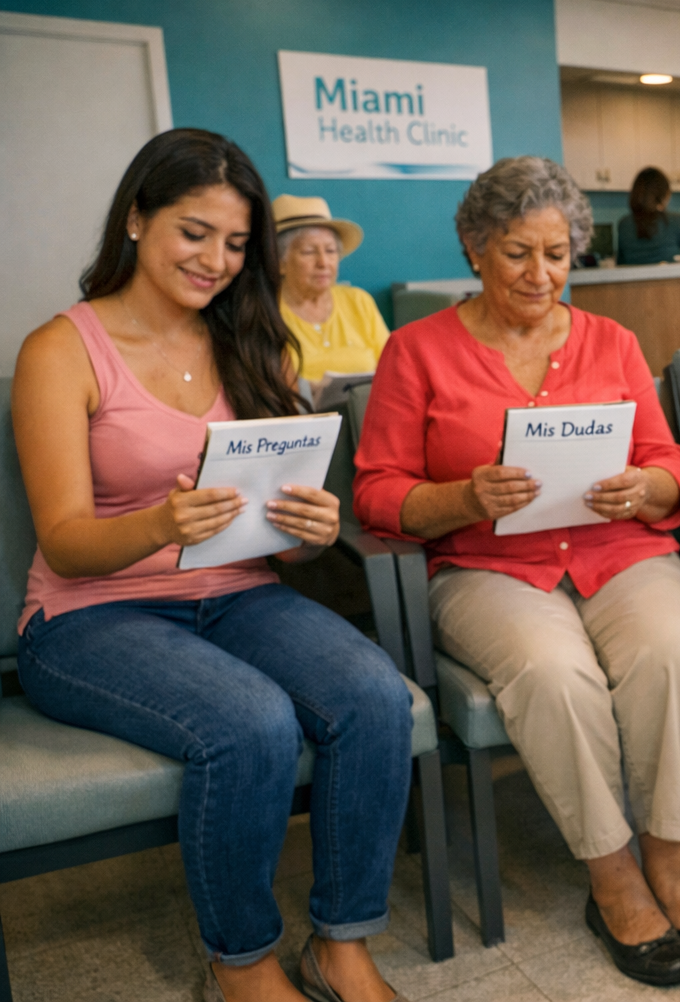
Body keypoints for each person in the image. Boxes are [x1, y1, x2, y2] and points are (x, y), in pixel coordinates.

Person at [12, 129, 413, 1002]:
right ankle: (240, 963)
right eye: (195, 232)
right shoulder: (60, 350)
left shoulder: (252, 341)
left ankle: (340, 945)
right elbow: (68, 540)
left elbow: (287, 542)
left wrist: (310, 527)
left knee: (378, 697)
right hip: (89, 616)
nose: (218, 261)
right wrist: (162, 519)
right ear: (134, 218)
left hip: (237, 594)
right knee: (252, 723)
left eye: (236, 244)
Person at [352, 156, 680, 987]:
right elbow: (379, 493)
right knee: (555, 675)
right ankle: (616, 881)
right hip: (487, 565)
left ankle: (671, 867)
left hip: (618, 551)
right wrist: (462, 495)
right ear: (476, 249)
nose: (542, 274)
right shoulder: (415, 352)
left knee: (676, 655)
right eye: (518, 253)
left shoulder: (613, 341)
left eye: (557, 254)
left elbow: (668, 462)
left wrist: (648, 486)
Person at [271, 194, 389, 384]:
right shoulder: (265, 312)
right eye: (308, 251)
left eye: (331, 251)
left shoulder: (358, 301)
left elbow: (393, 366)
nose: (323, 262)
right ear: (279, 263)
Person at [615, 166, 680, 266]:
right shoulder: (676, 221)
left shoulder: (624, 224)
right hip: (669, 282)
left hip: (634, 282)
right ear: (664, 194)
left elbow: (621, 263)